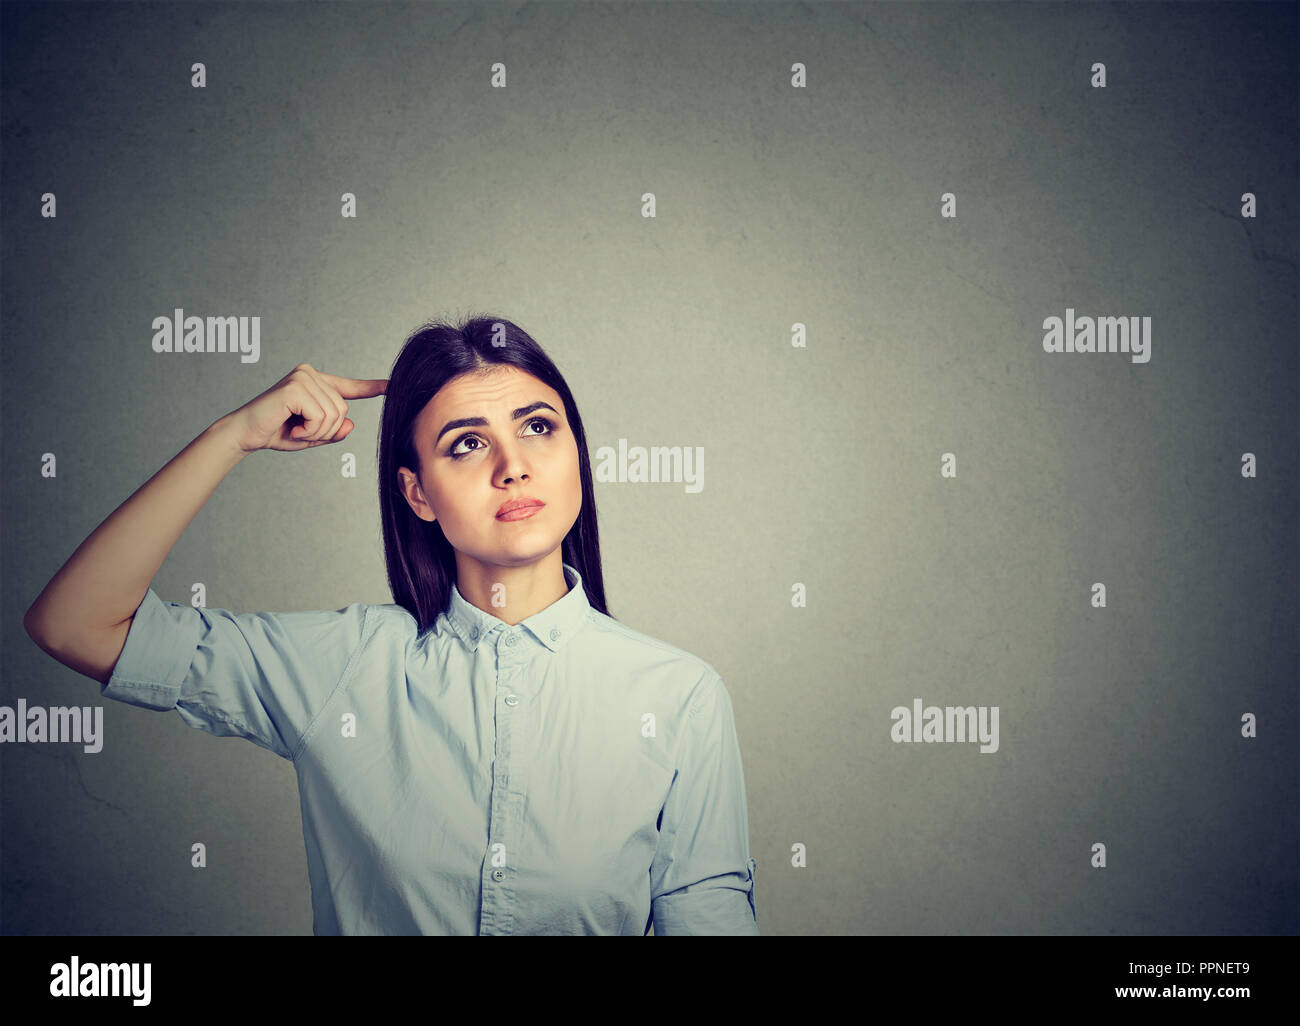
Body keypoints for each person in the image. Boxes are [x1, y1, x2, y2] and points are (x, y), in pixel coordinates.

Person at [24, 314, 759, 936]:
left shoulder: (680, 697)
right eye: (467, 443)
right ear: (417, 494)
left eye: (538, 427)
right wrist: (232, 436)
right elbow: (74, 624)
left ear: (575, 455)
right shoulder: (340, 664)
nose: (512, 467)